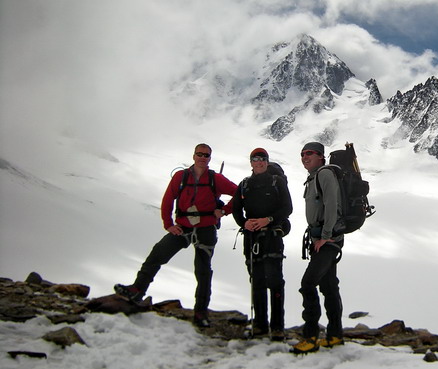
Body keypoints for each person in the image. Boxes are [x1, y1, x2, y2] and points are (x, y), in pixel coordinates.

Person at [114, 143, 237, 328]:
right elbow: (168, 199)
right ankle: (137, 290)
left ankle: (200, 311)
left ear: (210, 158)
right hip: (183, 227)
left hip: (206, 229)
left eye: (206, 155)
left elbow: (240, 193)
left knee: (202, 271)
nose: (203, 157)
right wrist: (168, 224)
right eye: (200, 154)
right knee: (158, 254)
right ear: (194, 155)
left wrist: (225, 210)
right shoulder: (181, 177)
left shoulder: (216, 179)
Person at [232, 148, 292, 341]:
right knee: (257, 280)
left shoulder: (278, 182)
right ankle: (260, 324)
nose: (259, 162)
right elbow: (236, 211)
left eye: (262, 159)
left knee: (274, 281)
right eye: (255, 159)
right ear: (251, 162)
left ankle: (277, 327)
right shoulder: (244, 185)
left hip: (272, 236)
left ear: (267, 162)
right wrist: (244, 223)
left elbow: (288, 208)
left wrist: (269, 219)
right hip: (252, 238)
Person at [292, 142, 345, 354]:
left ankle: (311, 336)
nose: (305, 157)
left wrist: (325, 236)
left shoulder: (324, 174)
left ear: (321, 156)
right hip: (323, 238)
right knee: (329, 286)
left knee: (308, 284)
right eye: (302, 154)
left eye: (310, 153)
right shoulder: (314, 176)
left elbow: (332, 204)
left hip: (328, 240)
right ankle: (334, 335)